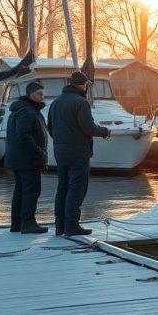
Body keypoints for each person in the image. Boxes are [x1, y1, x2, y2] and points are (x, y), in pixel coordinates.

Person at [47, 71, 110, 236]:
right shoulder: (81, 103)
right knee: (77, 188)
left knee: (62, 188)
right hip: (78, 152)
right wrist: (104, 132)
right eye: (86, 85)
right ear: (83, 85)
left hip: (59, 151)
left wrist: (61, 141)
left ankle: (60, 226)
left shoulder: (55, 103)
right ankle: (72, 226)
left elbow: (50, 128)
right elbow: (88, 127)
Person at [4, 81, 49, 234]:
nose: (42, 97)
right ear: (31, 95)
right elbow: (24, 136)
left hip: (19, 159)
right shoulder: (27, 111)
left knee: (20, 190)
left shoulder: (21, 110)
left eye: (43, 94)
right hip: (27, 160)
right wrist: (39, 153)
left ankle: (16, 224)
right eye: (39, 94)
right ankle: (28, 222)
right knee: (32, 190)